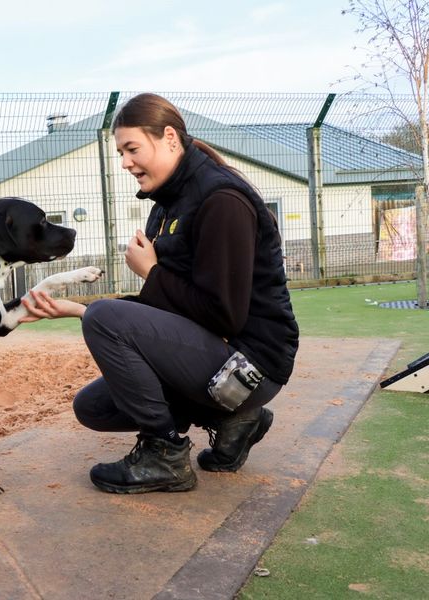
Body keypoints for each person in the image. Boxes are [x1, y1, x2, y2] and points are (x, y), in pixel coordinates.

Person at [20, 93, 299, 494]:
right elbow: (165, 315)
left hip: (251, 365)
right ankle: (233, 421)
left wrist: (149, 273)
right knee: (93, 407)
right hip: (216, 357)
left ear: (169, 137)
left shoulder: (221, 199)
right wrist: (77, 310)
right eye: (120, 152)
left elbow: (224, 316)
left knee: (105, 316)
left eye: (132, 148)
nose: (125, 162)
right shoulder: (167, 202)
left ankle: (164, 455)